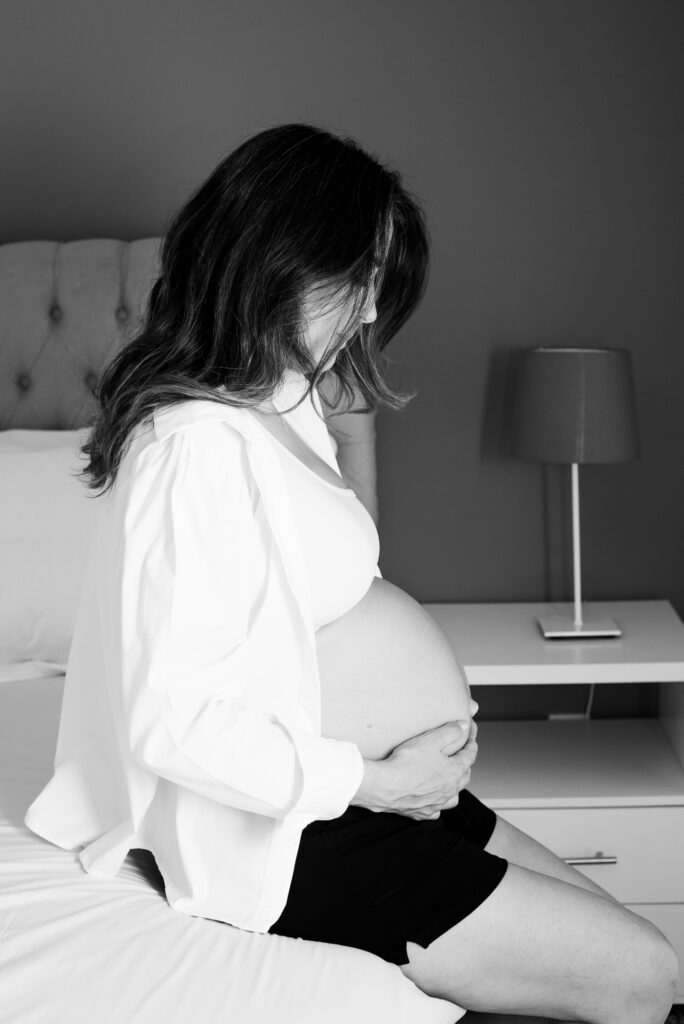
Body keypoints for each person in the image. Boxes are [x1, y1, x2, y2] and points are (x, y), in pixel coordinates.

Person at [25, 123, 677, 1023]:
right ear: (279, 260)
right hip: (290, 836)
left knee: (648, 958)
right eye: (359, 278)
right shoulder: (193, 447)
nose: (371, 312)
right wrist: (379, 782)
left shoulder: (283, 400)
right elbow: (172, 722)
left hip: (358, 797)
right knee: (641, 976)